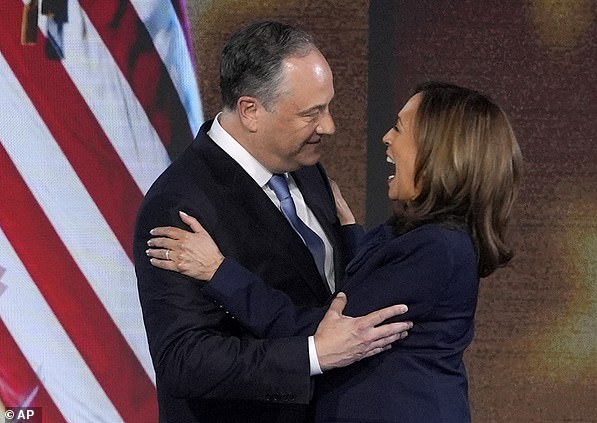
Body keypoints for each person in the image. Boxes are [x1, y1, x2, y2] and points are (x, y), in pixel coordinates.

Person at [146, 81, 524, 422]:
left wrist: (218, 272)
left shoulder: (439, 249)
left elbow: (326, 331)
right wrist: (349, 235)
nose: (386, 138)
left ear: (440, 153)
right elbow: (369, 289)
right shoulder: (422, 236)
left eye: (400, 128)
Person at [133, 21, 413, 423]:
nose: (329, 126)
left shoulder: (303, 165)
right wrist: (313, 354)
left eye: (328, 107)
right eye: (311, 113)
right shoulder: (178, 203)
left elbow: (330, 293)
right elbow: (185, 360)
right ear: (251, 111)